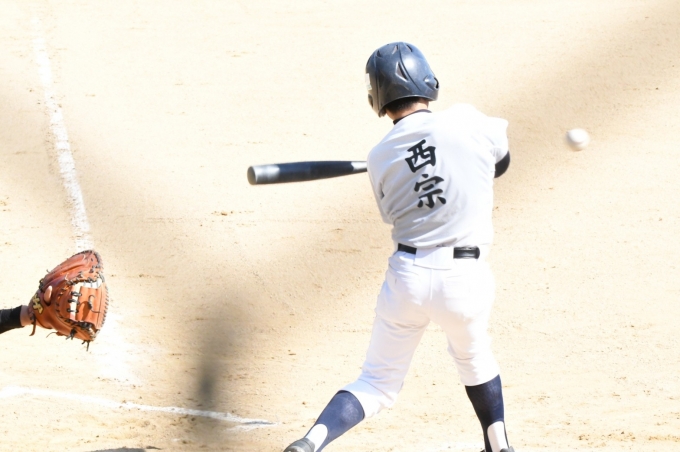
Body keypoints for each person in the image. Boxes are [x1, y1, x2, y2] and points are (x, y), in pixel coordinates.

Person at [282, 42, 515, 452]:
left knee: (376, 382)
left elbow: (393, 213)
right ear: (428, 80)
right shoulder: (468, 120)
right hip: (464, 279)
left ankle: (310, 442)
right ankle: (499, 447)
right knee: (475, 360)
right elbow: (501, 164)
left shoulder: (380, 156)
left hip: (407, 280)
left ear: (377, 98)